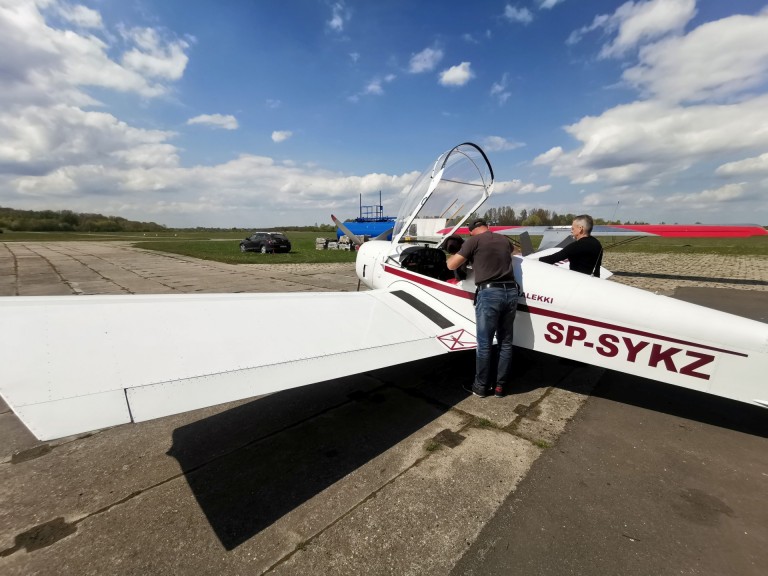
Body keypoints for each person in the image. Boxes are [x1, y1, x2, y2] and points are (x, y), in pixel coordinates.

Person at [446, 218, 518, 398]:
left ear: (471, 231)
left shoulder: (474, 241)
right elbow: (516, 253)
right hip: (511, 292)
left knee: (485, 344)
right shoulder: (503, 239)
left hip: (490, 294)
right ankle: (500, 387)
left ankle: (480, 387)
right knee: (506, 342)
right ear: (487, 227)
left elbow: (451, 265)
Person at [538, 214, 603, 276]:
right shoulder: (598, 244)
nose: (571, 231)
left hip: (579, 283)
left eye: (573, 228)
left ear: (580, 229)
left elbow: (552, 259)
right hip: (595, 282)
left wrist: (534, 261)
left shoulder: (576, 246)